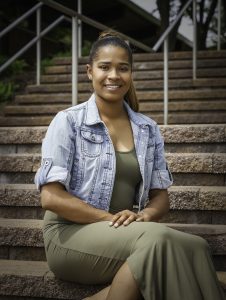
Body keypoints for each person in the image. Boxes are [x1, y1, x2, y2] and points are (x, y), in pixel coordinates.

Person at [35, 31, 224, 300]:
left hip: (125, 231)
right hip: (70, 234)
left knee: (196, 246)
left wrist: (144, 217)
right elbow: (51, 197)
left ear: (131, 74)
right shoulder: (68, 122)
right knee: (158, 242)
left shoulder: (147, 129)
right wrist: (111, 219)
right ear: (90, 72)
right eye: (104, 67)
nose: (114, 75)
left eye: (123, 68)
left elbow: (160, 196)